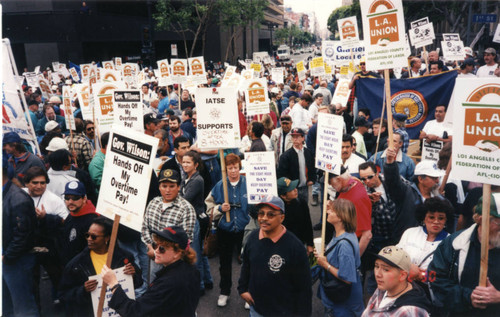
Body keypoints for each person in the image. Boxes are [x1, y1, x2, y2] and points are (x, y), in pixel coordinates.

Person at [238, 195, 312, 316]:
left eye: (271, 214)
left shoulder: (295, 247)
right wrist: (242, 289)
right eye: (261, 213)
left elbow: (304, 288)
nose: (264, 218)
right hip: (256, 310)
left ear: (282, 218)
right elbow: (246, 265)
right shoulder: (252, 237)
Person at [102, 226, 200, 316]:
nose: (156, 250)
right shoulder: (192, 270)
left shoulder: (168, 283)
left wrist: (113, 284)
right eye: (155, 245)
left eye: (162, 249)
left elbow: (134, 312)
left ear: (177, 253)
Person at [428, 195, 500, 316]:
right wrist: (468, 297)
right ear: (481, 219)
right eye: (498, 223)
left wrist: (498, 296)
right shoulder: (454, 244)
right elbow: (436, 280)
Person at [59, 217, 142, 317]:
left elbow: (138, 283)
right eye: (87, 235)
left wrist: (132, 276)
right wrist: (83, 290)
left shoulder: (124, 257)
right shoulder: (76, 264)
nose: (89, 239)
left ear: (107, 238)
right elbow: (63, 295)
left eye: (94, 237)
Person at [205, 154, 250, 307]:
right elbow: (208, 207)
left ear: (239, 167)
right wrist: (219, 208)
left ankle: (247, 292)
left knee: (248, 261)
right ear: (225, 169)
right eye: (229, 168)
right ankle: (224, 291)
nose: (232, 171)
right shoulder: (219, 186)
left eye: (235, 168)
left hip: (245, 228)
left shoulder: (248, 183)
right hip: (225, 229)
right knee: (224, 262)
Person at [141, 168, 196, 277]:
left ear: (178, 187)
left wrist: (165, 252)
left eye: (172, 186)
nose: (168, 190)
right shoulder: (153, 203)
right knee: (154, 285)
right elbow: (144, 227)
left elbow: (187, 239)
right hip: (155, 256)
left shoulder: (186, 208)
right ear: (159, 187)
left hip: (174, 261)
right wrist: (150, 248)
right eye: (164, 186)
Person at [2, 156, 40, 317]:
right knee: (6, 305)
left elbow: (23, 234)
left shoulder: (18, 199)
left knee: (24, 306)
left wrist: (8, 256)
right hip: (8, 258)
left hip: (17, 261)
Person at [314, 199, 365, 317]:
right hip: (343, 296)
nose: (328, 212)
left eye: (331, 211)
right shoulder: (344, 234)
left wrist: (325, 264)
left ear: (341, 217)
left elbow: (346, 277)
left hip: (345, 299)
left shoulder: (344, 245)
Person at [362, 246, 431, 316]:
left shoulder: (409, 311)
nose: (378, 274)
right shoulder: (384, 288)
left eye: (386, 270)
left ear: (402, 275)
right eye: (377, 266)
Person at [397, 197, 452, 285]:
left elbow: (448, 274)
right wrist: (409, 266)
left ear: (446, 221)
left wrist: (421, 275)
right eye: (431, 217)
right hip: (403, 284)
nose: (436, 221)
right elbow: (396, 256)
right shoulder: (410, 233)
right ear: (423, 218)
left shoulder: (450, 242)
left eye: (441, 218)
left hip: (431, 291)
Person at [180, 150, 213, 295]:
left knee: (195, 254)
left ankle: (199, 286)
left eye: (188, 162)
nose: (185, 165)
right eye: (183, 162)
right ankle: (207, 280)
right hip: (194, 218)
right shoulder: (187, 177)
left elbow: (184, 200)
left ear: (196, 165)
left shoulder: (197, 180)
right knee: (200, 251)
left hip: (195, 220)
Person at [328, 167, 372, 256]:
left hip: (353, 243)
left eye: (331, 182)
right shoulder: (353, 182)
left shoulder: (357, 199)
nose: (330, 185)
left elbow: (367, 235)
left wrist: (356, 257)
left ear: (339, 180)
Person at [59, 180, 99, 264]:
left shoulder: (93, 220)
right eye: (67, 197)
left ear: (84, 198)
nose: (70, 201)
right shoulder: (71, 215)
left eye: (75, 198)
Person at [277, 128, 316, 204]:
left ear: (303, 138)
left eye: (297, 137)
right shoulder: (286, 156)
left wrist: (312, 179)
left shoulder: (308, 153)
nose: (295, 139)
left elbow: (312, 168)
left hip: (305, 187)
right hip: (292, 189)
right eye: (293, 137)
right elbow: (281, 174)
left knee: (304, 207)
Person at [278, 177, 314, 254]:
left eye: (295, 187)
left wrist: (310, 244)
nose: (295, 190)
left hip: (300, 243)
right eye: (291, 190)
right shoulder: (277, 210)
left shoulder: (301, 202)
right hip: (284, 246)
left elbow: (307, 224)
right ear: (283, 196)